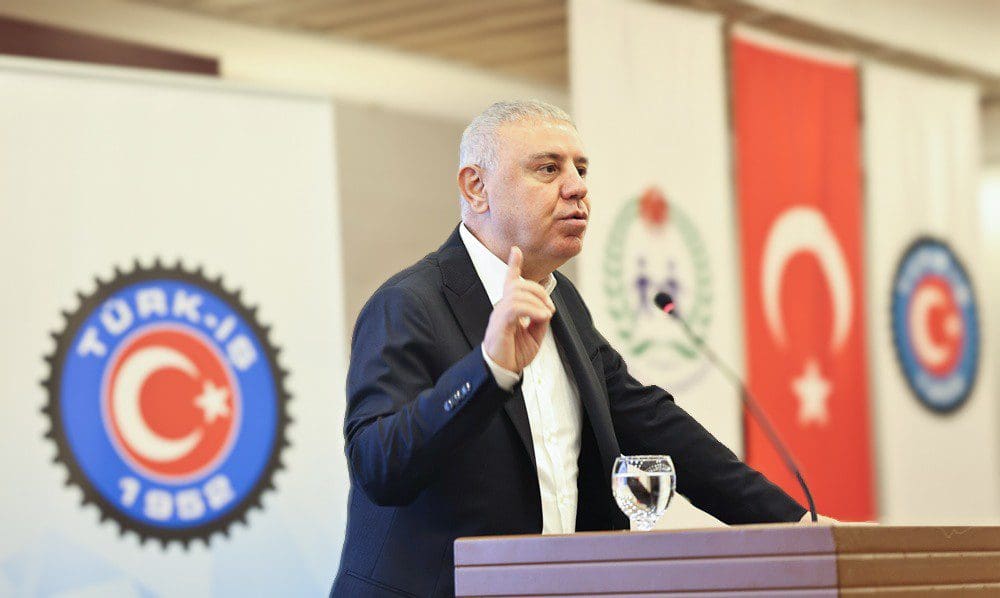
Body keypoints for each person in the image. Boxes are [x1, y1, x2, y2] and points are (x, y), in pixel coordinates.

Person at [331, 100, 813, 598]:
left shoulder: (564, 304)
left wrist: (797, 528)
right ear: (476, 188)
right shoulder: (408, 304)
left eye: (581, 169)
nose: (577, 187)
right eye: (548, 168)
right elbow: (377, 467)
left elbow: (652, 423)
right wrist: (488, 369)